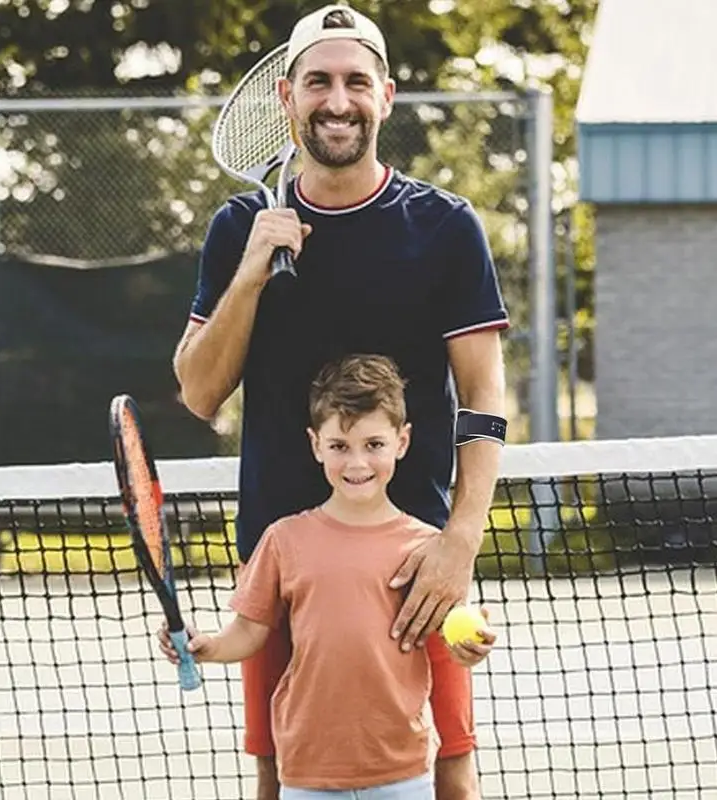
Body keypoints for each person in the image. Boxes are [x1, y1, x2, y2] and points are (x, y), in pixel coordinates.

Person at [168, 4, 509, 799]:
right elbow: (197, 392)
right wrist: (251, 270)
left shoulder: (446, 227)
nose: (338, 99)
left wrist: (459, 542)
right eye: (318, 81)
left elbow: (484, 396)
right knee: (279, 775)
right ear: (286, 98)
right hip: (278, 565)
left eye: (357, 81)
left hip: (413, 562)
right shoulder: (238, 228)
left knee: (450, 772)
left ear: (386, 96)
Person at [172, 354, 496, 798]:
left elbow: (447, 637)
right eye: (340, 446)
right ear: (316, 444)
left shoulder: (428, 549)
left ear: (402, 442)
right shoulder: (283, 540)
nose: (357, 462)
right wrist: (207, 646)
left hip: (403, 775)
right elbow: (248, 633)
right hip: (308, 776)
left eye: (374, 444)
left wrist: (468, 648)